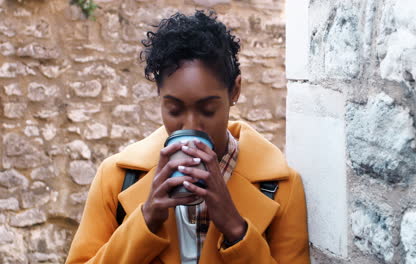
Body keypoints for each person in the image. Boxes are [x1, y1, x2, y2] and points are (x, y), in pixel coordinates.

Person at [66, 10, 309, 264]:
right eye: (174, 110)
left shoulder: (281, 189)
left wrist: (236, 229)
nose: (191, 126)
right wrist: (146, 219)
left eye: (208, 110)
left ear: (235, 91)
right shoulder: (116, 179)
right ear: (159, 94)